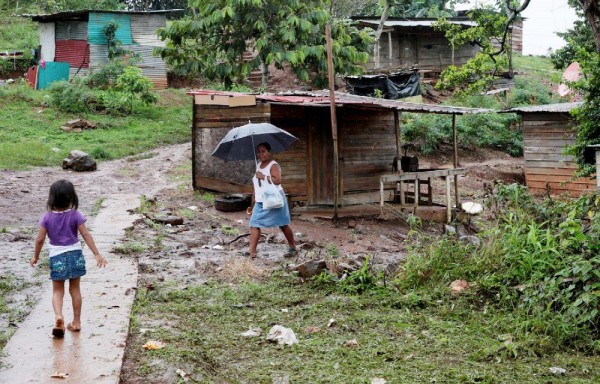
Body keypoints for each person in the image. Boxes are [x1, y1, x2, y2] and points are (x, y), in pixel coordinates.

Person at [30, 179, 107, 338]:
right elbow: (86, 234)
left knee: (58, 290)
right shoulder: (75, 214)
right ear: (72, 197)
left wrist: (35, 256)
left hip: (57, 256)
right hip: (75, 255)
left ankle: (59, 316)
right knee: (75, 289)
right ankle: (76, 322)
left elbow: (39, 239)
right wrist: (96, 253)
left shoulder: (47, 217)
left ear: (51, 198)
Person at [246, 142, 298, 259]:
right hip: (261, 200)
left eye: (263, 151)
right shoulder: (258, 165)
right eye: (259, 152)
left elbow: (277, 180)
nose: (261, 154)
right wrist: (253, 202)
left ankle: (292, 247)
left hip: (274, 199)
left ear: (269, 152)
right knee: (254, 223)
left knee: (283, 224)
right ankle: (252, 251)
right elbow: (257, 186)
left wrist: (263, 177)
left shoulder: (274, 165)